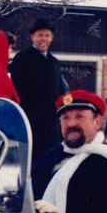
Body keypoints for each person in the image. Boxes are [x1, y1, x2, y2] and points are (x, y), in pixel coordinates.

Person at [8, 17, 67, 163]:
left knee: (52, 165)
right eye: (40, 35)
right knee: (33, 167)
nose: (44, 39)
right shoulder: (22, 59)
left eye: (47, 35)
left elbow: (61, 93)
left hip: (53, 128)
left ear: (52, 38)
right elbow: (18, 94)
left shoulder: (54, 62)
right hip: (32, 127)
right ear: (32, 37)